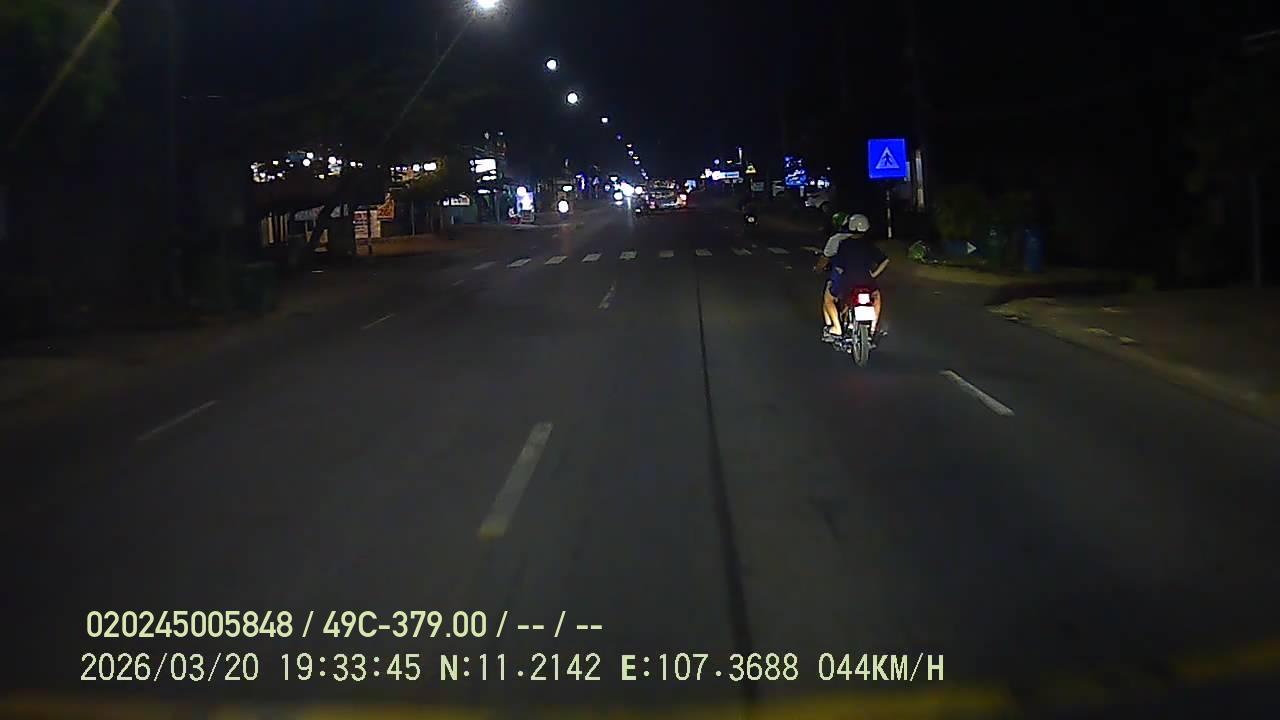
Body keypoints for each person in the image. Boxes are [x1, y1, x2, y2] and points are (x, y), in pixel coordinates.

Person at [813, 213, 889, 342]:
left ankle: (836, 328)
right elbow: (885, 260)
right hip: (866, 280)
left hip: (845, 281)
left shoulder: (840, 243)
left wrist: (820, 269)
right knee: (876, 296)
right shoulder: (868, 244)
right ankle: (873, 328)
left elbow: (832, 262)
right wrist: (874, 274)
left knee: (829, 298)